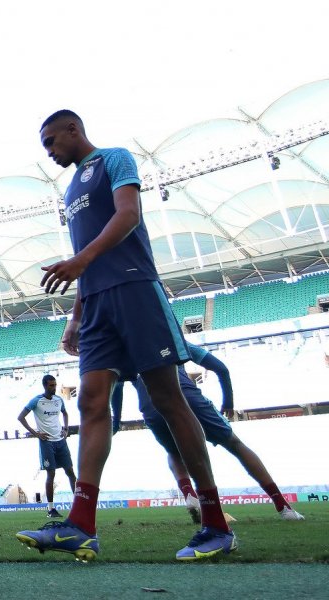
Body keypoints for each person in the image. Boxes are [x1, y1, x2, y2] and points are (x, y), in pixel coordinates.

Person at [18, 110, 234, 562]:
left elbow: (129, 215)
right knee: (92, 403)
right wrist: (76, 314)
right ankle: (81, 525)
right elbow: (84, 254)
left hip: (135, 289)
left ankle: (215, 523)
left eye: (52, 142)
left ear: (74, 130)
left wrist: (80, 263)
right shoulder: (71, 188)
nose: (51, 153)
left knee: (167, 399)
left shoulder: (115, 159)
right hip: (96, 304)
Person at [113, 343, 303, 523]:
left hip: (152, 409)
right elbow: (221, 368)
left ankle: (189, 494)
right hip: (187, 399)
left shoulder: (126, 352)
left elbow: (116, 388)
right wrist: (228, 402)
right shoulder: (172, 338)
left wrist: (116, 422)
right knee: (235, 445)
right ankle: (283, 507)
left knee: (173, 452)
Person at [16, 374, 76, 518]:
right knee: (51, 474)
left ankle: (78, 505)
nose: (54, 388)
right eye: (51, 385)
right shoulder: (37, 401)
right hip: (46, 442)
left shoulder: (58, 399)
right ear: (44, 385)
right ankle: (50, 509)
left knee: (70, 472)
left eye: (55, 385)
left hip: (60, 441)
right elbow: (21, 417)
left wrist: (66, 428)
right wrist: (35, 433)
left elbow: (65, 413)